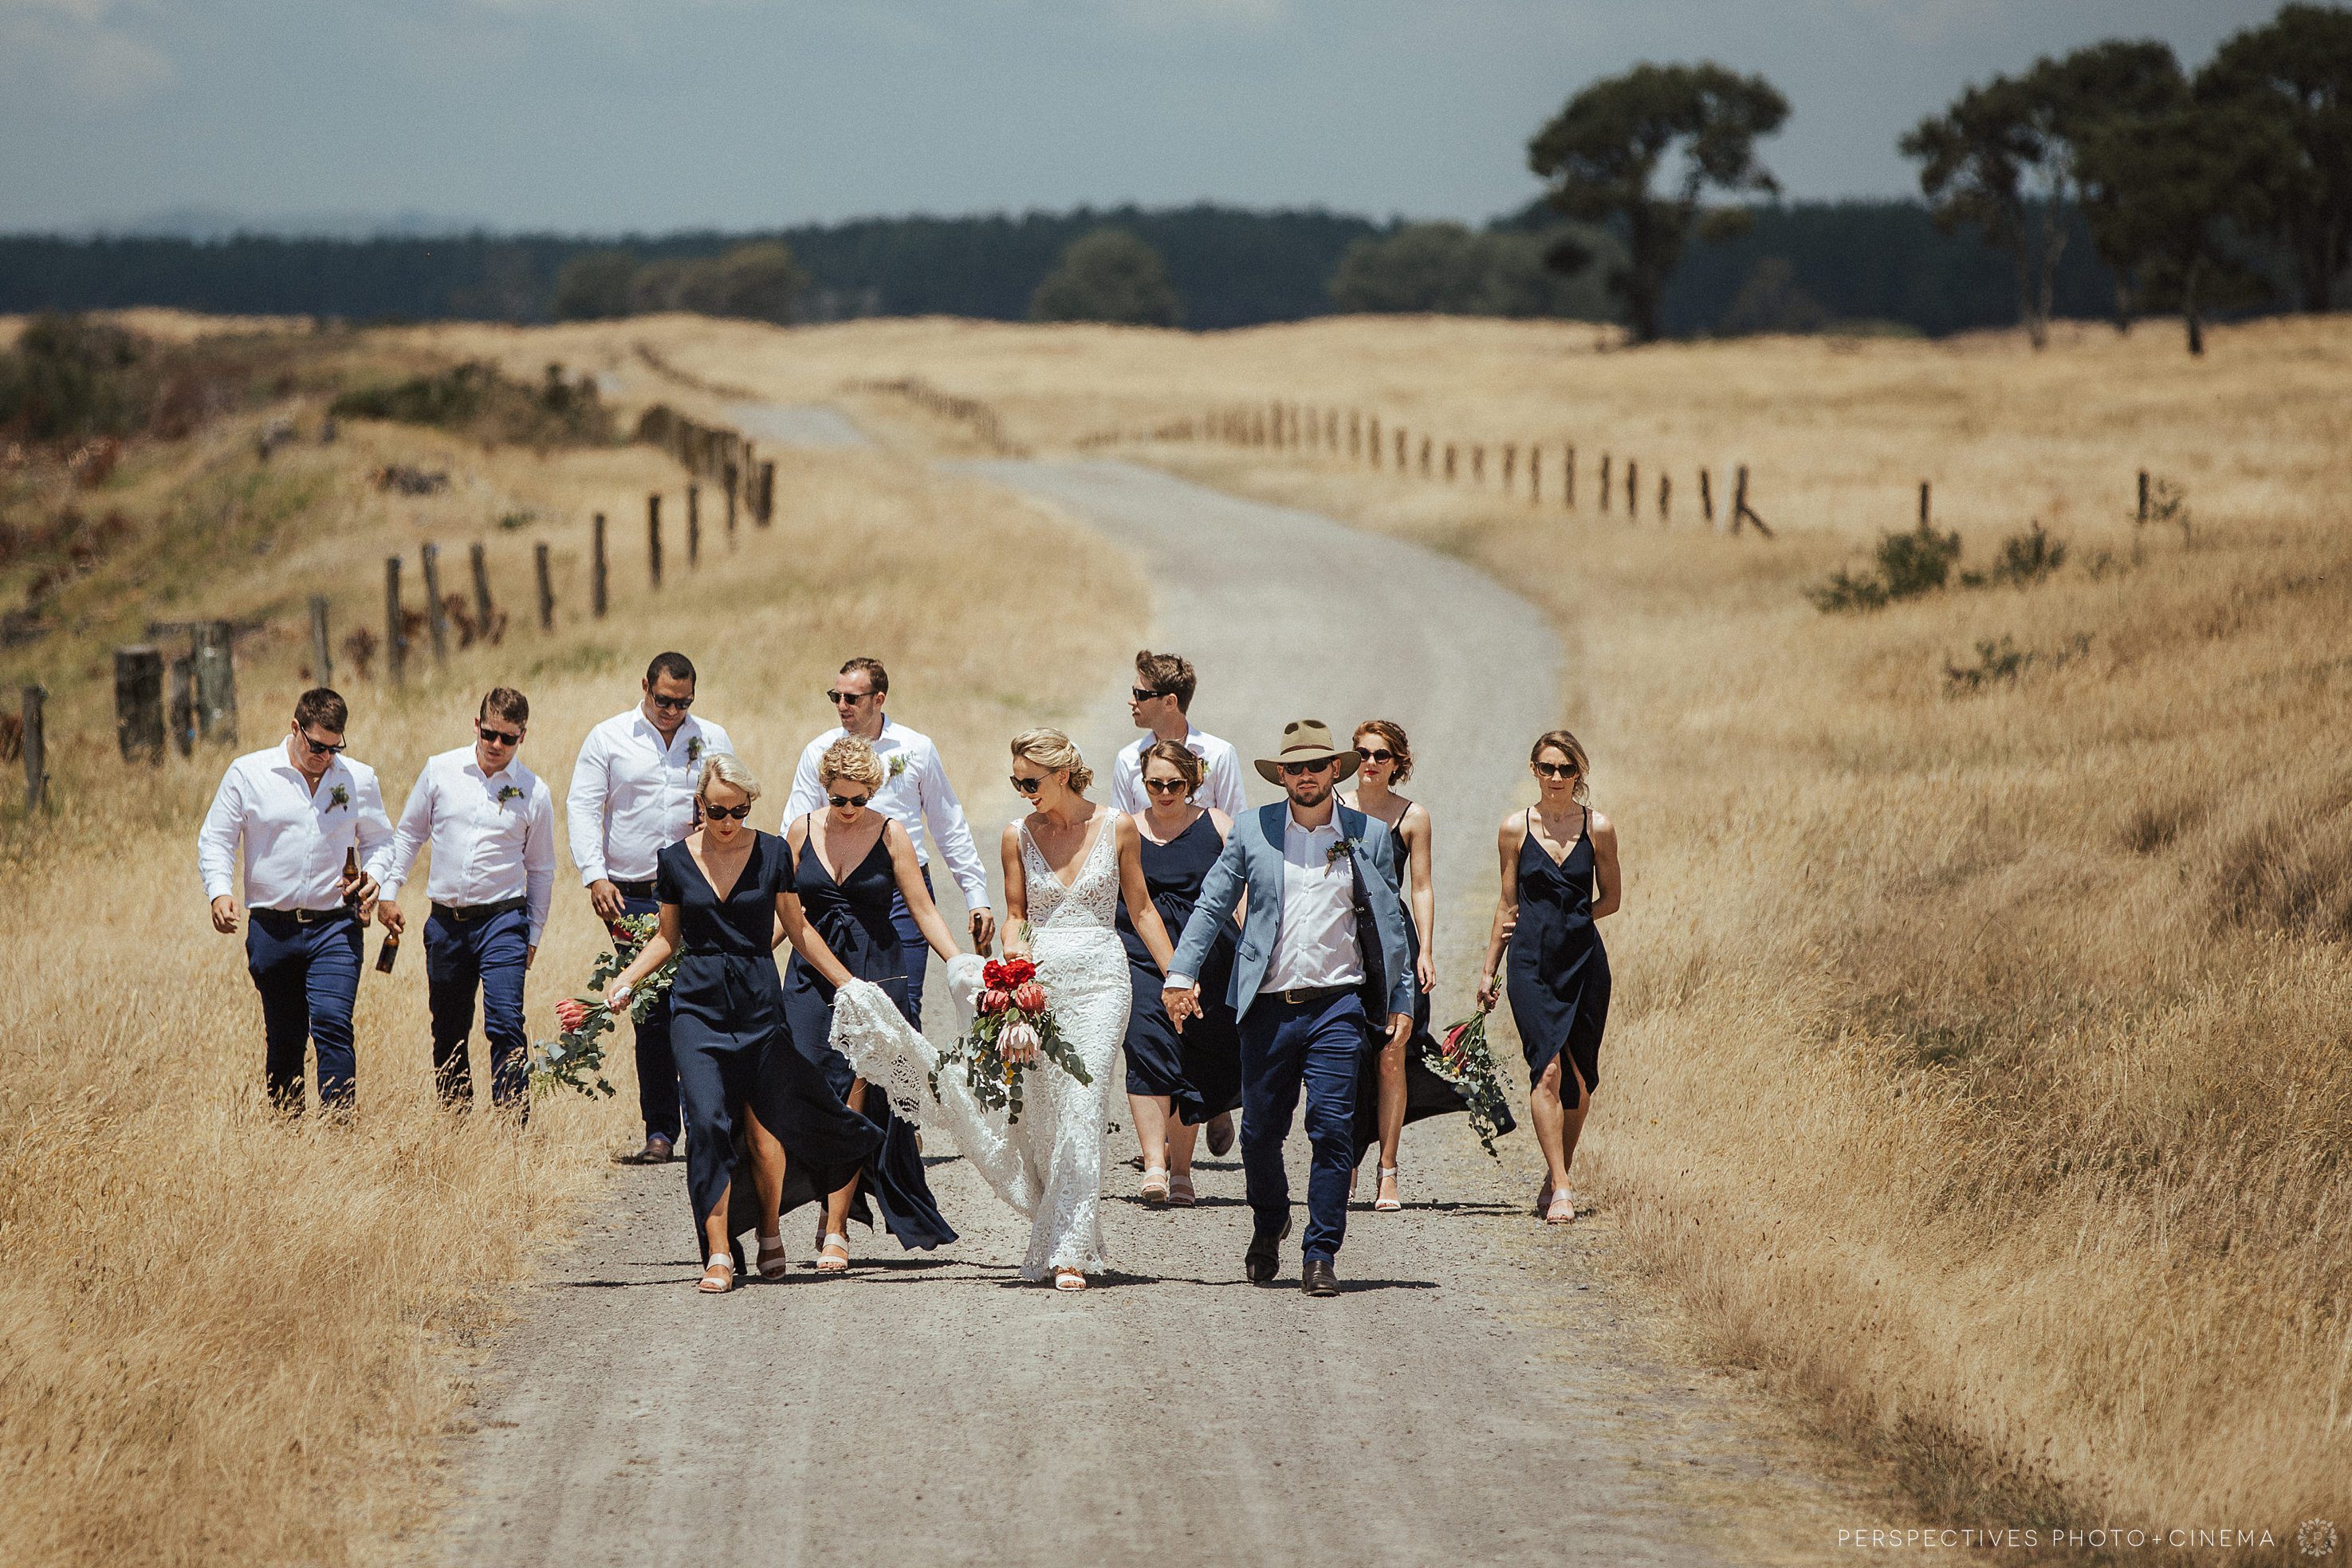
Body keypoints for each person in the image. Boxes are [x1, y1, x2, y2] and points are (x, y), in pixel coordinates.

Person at [824, 729, 1178, 1292]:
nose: (1022, 791)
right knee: (1046, 1115)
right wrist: (1011, 959)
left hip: (1102, 981)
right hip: (1037, 985)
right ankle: (1067, 1225)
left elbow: (1139, 908)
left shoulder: (1119, 826)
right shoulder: (1017, 835)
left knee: (1084, 1106)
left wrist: (1176, 976)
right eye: (1016, 782)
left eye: (1030, 781)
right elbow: (1016, 913)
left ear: (1063, 773)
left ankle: (1068, 1251)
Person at [604, 754, 881, 1293]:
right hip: (697, 1007)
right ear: (699, 806)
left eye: (739, 810)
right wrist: (627, 978)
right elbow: (667, 937)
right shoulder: (674, 861)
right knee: (707, 1122)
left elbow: (798, 930)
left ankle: (771, 1231)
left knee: (764, 1125)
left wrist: (849, 983)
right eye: (717, 811)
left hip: (757, 1003)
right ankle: (718, 1252)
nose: (729, 822)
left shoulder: (774, 852)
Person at [1166, 721, 1416, 1299]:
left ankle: (1320, 1251)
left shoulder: (1368, 835)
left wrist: (1401, 998)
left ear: (1336, 771)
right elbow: (1212, 904)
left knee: (1332, 1129)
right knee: (1259, 1133)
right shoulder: (1254, 830)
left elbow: (1389, 923)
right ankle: (1269, 1217)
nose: (1306, 776)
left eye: (1316, 766)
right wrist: (1181, 972)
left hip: (1338, 1004)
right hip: (1268, 1006)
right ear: (1282, 775)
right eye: (1295, 768)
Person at [782, 736, 965, 1272]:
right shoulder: (799, 831)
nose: (846, 810)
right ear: (825, 789)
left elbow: (923, 910)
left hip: (877, 969)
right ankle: (833, 1198)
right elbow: (786, 918)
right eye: (838, 799)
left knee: (855, 1092)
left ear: (873, 792)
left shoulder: (892, 834)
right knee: (813, 1085)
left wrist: (962, 964)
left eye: (857, 800)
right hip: (815, 973)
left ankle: (835, 1224)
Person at [568, 651, 733, 1164]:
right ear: (645, 686)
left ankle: (710, 1120)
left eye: (682, 703)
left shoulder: (711, 739)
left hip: (698, 887)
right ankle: (660, 1130)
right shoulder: (608, 738)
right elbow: (583, 806)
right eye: (663, 700)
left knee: (702, 1003)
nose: (671, 712)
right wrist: (595, 875)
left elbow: (732, 800)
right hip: (632, 893)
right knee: (651, 1011)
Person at [198, 687, 393, 1116]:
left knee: (332, 1022)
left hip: (335, 925)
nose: (324, 755)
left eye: (333, 747)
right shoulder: (248, 774)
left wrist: (374, 876)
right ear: (295, 728)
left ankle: (340, 1133)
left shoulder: (357, 779)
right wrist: (220, 891)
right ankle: (289, 1136)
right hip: (273, 927)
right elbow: (217, 838)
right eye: (316, 745)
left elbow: (380, 840)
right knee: (284, 1035)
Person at [371, 687, 556, 1119]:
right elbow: (410, 835)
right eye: (490, 733)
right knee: (448, 1029)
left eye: (507, 739)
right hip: (446, 924)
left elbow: (542, 869)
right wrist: (390, 893)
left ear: (522, 738)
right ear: (477, 725)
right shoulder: (440, 771)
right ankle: (456, 1123)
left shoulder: (534, 792)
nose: (496, 745)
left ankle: (513, 1129)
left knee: (506, 1023)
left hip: (504, 921)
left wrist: (534, 933)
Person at [782, 657, 994, 1024]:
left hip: (900, 887)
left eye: (852, 698)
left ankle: (896, 1082)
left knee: (902, 1005)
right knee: (829, 1005)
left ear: (879, 699)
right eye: (836, 697)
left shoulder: (917, 747)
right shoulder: (819, 751)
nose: (842, 706)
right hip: (834, 888)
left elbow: (949, 824)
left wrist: (975, 895)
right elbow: (794, 828)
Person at [1477, 729, 1619, 1227]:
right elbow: (1507, 903)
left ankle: (1559, 1168)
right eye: (1546, 768)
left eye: (1565, 769)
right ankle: (1561, 1185)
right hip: (1530, 964)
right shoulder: (1514, 828)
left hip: (1583, 961)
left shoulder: (1599, 827)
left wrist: (1572, 922)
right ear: (1534, 770)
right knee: (1548, 1071)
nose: (1555, 777)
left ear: (1578, 773)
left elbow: (1612, 898)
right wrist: (1490, 968)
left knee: (1580, 1079)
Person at [1107, 648, 1246, 1157]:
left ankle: (1214, 1104)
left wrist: (1239, 916)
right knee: (1152, 1024)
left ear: (1170, 701)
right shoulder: (1128, 759)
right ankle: (1162, 1152)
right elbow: (1123, 836)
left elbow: (1233, 829)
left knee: (1209, 1023)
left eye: (1141, 695)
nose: (1132, 702)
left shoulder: (1220, 754)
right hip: (1150, 904)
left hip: (1205, 907)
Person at [1119, 741, 1241, 1208]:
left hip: (1207, 958)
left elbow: (1243, 894)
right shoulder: (1125, 828)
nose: (1165, 792)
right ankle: (1154, 1165)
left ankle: (1184, 1171)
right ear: (1142, 783)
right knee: (1148, 1046)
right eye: (1155, 783)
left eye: (1175, 783)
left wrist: (1256, 951)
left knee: (1193, 1055)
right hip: (1141, 954)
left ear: (1192, 782)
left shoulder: (1219, 826)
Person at [1340, 719, 1437, 1212]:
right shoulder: (1334, 808)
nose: (1371, 764)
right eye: (1362, 754)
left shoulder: (1411, 816)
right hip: (1340, 936)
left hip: (1392, 938)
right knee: (1347, 1053)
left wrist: (1425, 949)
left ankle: (1388, 1170)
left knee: (1392, 1052)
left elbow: (1419, 886)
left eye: (1381, 755)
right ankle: (1348, 1165)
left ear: (1398, 762)